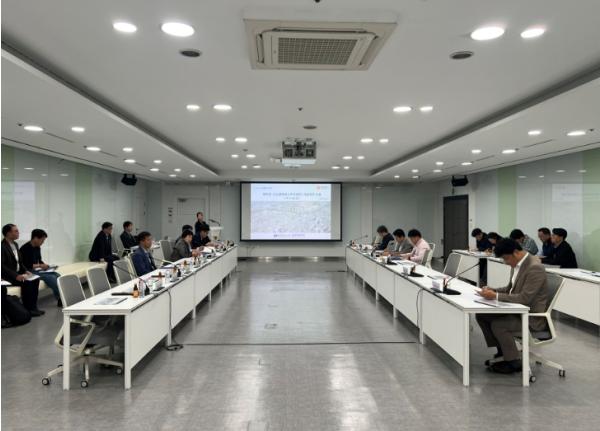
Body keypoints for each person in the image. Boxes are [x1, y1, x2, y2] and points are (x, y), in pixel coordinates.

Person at [476, 239, 548, 374]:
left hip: (531, 318)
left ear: (515, 252)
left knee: (499, 324)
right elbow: (510, 289)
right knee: (482, 315)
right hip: (517, 312)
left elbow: (524, 298)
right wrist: (492, 290)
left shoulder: (534, 267)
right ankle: (503, 352)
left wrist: (495, 296)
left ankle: (513, 361)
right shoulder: (517, 264)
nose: (506, 262)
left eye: (506, 258)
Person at [1, 224, 44, 316]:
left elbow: (20, 262)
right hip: (8, 276)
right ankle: (28, 309)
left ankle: (34, 307)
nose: (18, 232)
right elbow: (2, 266)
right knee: (27, 282)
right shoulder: (2, 247)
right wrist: (16, 276)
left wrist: (26, 271)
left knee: (35, 279)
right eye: (16, 231)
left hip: (18, 273)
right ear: (8, 233)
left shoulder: (15, 244)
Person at [20, 229, 62, 307]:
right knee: (51, 277)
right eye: (42, 240)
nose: (43, 242)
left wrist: (46, 266)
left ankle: (61, 297)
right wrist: (40, 266)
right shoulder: (25, 249)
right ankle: (61, 298)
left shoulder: (37, 247)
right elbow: (26, 265)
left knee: (57, 275)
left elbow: (39, 261)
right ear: (36, 238)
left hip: (36, 270)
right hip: (28, 271)